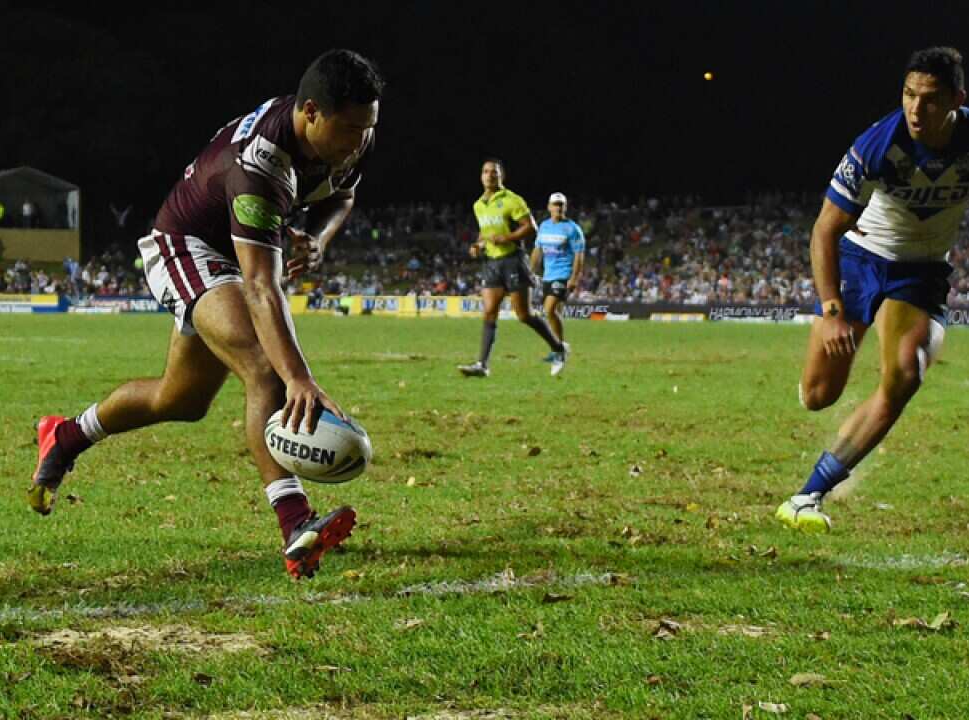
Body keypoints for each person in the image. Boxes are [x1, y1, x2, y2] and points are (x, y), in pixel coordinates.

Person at [29, 49, 384, 579]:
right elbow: (262, 287)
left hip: (244, 255)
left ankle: (67, 435)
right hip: (188, 247)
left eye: (367, 128)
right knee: (265, 366)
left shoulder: (350, 135)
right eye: (351, 129)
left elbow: (342, 195)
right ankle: (295, 523)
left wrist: (319, 238)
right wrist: (300, 379)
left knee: (182, 400)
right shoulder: (259, 164)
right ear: (311, 111)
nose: (360, 142)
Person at [775, 47, 969, 532]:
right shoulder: (878, 144)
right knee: (817, 395)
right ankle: (826, 371)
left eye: (930, 99)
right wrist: (831, 311)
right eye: (909, 95)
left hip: (922, 272)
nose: (916, 109)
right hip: (859, 260)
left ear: (957, 99)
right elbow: (824, 229)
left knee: (905, 375)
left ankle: (809, 495)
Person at [457, 159, 568, 378]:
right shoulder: (478, 204)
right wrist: (478, 245)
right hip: (492, 263)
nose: (489, 175)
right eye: (486, 172)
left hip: (513, 261)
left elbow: (530, 227)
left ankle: (559, 348)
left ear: (501, 176)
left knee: (524, 315)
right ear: (481, 176)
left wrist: (506, 237)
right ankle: (482, 364)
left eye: (494, 172)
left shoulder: (511, 200)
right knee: (489, 312)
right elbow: (484, 232)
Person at [530, 192, 586, 367]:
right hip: (548, 275)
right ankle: (558, 351)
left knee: (548, 310)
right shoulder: (544, 226)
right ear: (549, 207)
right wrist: (530, 271)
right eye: (555, 204)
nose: (558, 208)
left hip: (563, 275)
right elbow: (537, 250)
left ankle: (560, 349)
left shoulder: (573, 229)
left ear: (565, 207)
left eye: (561, 204)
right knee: (555, 314)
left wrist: (574, 278)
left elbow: (579, 255)